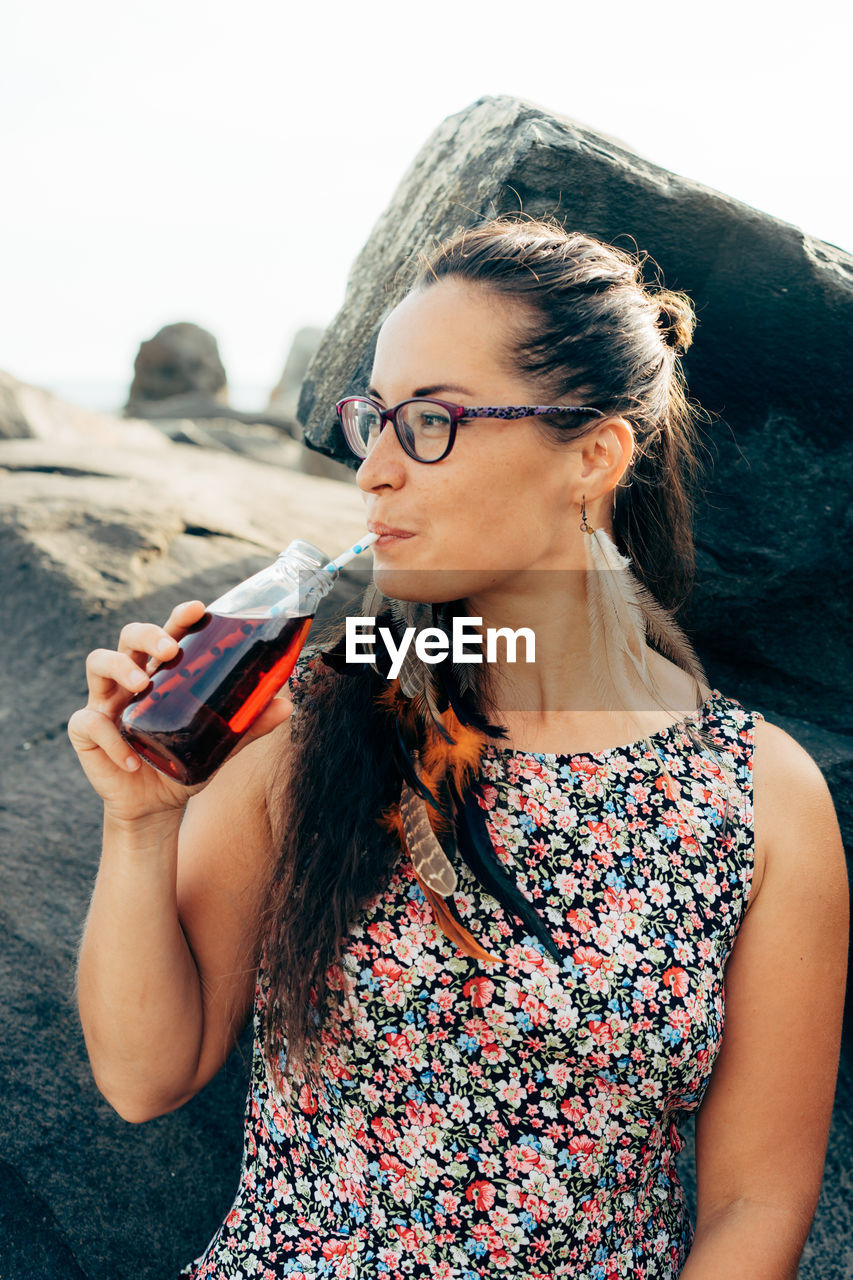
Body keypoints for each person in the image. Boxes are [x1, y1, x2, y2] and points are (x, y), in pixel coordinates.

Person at [71, 217, 848, 1280]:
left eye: (430, 420)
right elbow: (142, 1073)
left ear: (592, 454)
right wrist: (139, 819)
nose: (374, 471)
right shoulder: (312, 721)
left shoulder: (759, 797)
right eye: (374, 419)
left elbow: (756, 1200)